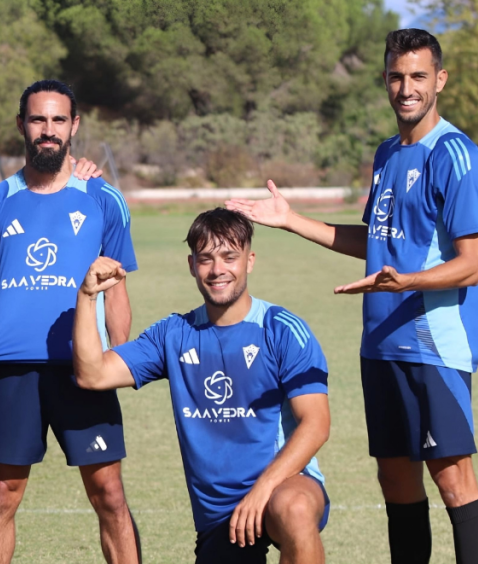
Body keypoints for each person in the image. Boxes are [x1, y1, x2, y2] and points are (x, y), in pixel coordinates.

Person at [226, 28, 478, 563]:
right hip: (381, 345)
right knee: (395, 481)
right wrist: (290, 220)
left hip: (434, 346)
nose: (406, 88)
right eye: (396, 76)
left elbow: (472, 264)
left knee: (453, 479)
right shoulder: (387, 153)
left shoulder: (457, 155)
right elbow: (372, 241)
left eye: (418, 76)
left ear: (439, 80)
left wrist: (405, 281)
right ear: (385, 80)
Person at [74, 208, 331, 564]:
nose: (218, 270)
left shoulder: (282, 329)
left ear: (249, 261)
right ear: (192, 265)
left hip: (280, 487)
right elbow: (93, 374)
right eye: (206, 259)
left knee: (296, 509)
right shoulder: (174, 334)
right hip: (220, 516)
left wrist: (262, 490)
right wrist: (87, 296)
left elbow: (316, 423)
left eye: (230, 257)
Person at [0, 79, 141, 564]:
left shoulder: (103, 198)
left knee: (110, 496)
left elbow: (117, 287)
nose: (48, 130)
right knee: (3, 498)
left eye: (59, 120)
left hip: (84, 366)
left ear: (74, 126)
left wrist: (119, 359)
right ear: (21, 125)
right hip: (11, 371)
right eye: (38, 119)